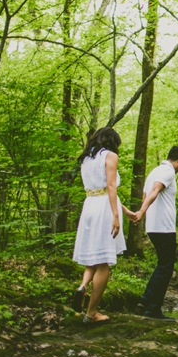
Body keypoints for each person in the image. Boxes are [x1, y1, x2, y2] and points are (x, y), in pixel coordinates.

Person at [72, 127, 136, 323]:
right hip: (104, 210)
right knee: (104, 263)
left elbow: (99, 189)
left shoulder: (86, 159)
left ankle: (82, 286)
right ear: (110, 141)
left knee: (94, 257)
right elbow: (109, 187)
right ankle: (91, 314)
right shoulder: (110, 156)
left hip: (90, 205)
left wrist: (124, 210)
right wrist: (116, 216)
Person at [134, 146, 178, 320]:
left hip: (154, 226)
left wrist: (145, 214)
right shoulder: (167, 172)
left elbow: (145, 195)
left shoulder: (154, 171)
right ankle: (153, 310)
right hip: (163, 227)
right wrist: (141, 212)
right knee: (166, 267)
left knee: (162, 265)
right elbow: (154, 191)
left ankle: (145, 301)